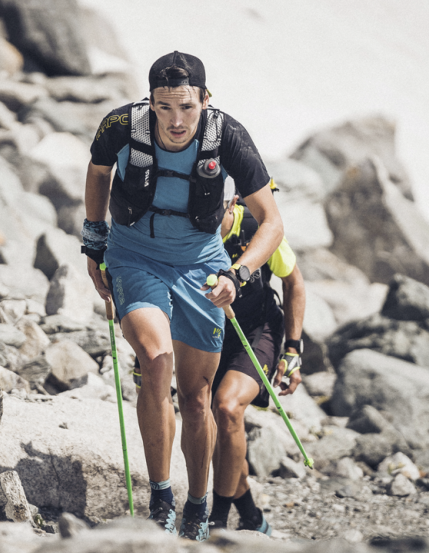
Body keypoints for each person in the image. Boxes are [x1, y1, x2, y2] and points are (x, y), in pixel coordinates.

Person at [82, 51, 284, 541]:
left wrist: (238, 273)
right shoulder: (121, 125)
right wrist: (94, 241)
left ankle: (197, 506)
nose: (175, 121)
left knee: (197, 398)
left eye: (186, 108)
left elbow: (273, 224)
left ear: (205, 100)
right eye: (164, 108)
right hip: (135, 256)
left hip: (202, 265)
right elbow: (98, 172)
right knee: (154, 359)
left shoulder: (228, 136)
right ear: (150, 100)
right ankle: (160, 499)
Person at [208, 189, 305, 534]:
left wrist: (292, 351)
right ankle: (252, 518)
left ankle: (216, 520)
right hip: (211, 335)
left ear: (231, 202)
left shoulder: (256, 228)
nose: (201, 213)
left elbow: (294, 283)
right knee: (220, 437)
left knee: (228, 407)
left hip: (257, 329)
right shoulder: (187, 233)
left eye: (211, 206)